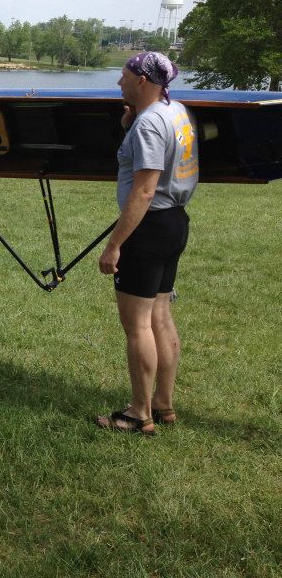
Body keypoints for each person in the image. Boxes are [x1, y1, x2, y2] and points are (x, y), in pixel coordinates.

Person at [96, 52, 199, 435]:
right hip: (174, 222)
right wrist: (131, 124)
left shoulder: (149, 125)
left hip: (148, 228)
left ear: (141, 80)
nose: (118, 83)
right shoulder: (177, 111)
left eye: (122, 76)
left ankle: (139, 413)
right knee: (159, 316)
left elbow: (144, 190)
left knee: (137, 325)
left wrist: (115, 245)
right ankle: (164, 404)